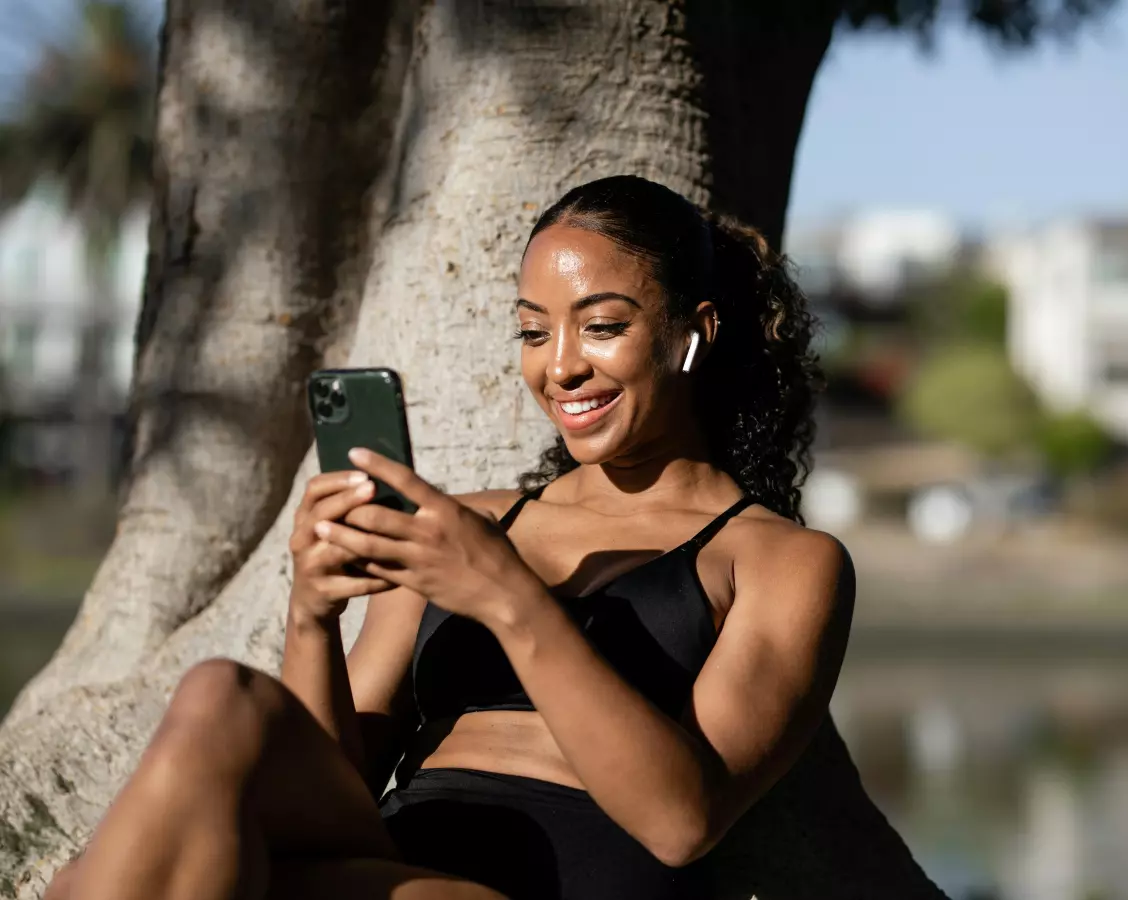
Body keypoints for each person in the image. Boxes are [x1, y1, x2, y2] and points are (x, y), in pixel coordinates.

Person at [49, 174, 854, 900]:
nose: (561, 367)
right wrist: (312, 615)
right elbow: (340, 783)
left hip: (563, 880)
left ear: (694, 333)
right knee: (219, 697)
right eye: (534, 334)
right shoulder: (468, 522)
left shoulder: (780, 560)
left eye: (601, 326)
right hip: (391, 859)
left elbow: (682, 821)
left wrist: (506, 597)